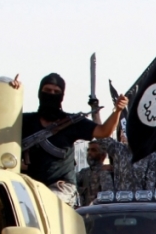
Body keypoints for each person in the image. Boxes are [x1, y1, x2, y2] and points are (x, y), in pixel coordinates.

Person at [21, 73, 127, 205]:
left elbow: (104, 131)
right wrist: (10, 90)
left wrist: (117, 111)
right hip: (30, 185)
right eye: (47, 90)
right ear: (40, 93)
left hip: (61, 187)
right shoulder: (25, 121)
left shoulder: (71, 122)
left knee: (45, 202)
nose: (51, 94)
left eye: (56, 92)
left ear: (61, 96)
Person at [76, 140, 115, 206]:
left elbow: (108, 197)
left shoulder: (106, 173)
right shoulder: (83, 173)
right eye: (88, 150)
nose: (89, 153)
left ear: (103, 156)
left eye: (93, 150)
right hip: (86, 211)